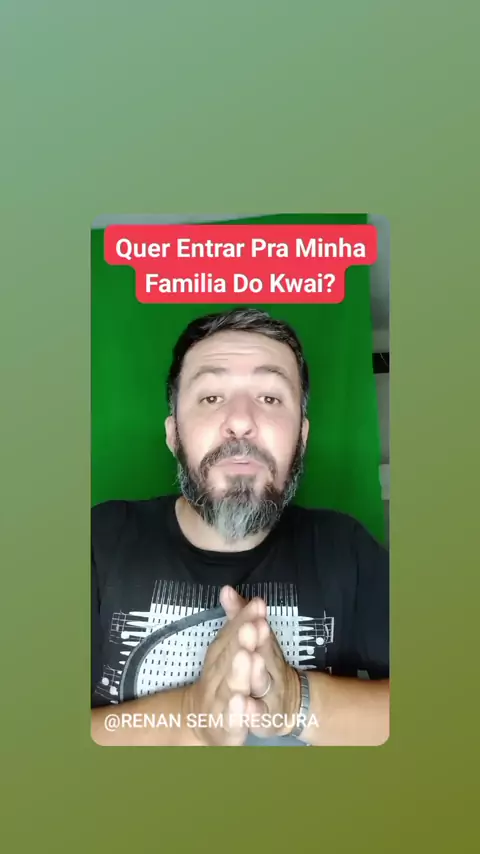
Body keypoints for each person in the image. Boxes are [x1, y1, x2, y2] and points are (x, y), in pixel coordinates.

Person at [91, 307, 389, 747]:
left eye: (270, 398)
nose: (241, 421)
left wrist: (298, 702)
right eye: (211, 397)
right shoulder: (97, 541)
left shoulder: (346, 550)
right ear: (173, 434)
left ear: (302, 437)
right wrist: (188, 718)